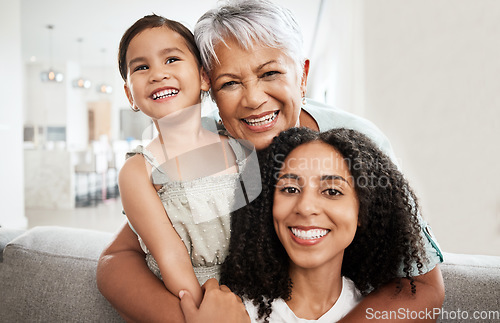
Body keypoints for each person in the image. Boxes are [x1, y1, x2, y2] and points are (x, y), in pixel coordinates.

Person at [97, 1, 444, 322]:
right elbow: (118, 260)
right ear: (210, 91)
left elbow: (424, 288)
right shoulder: (202, 146)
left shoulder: (355, 145)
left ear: (303, 75)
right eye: (230, 83)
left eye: (270, 74)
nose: (253, 99)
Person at [112, 13, 258, 311]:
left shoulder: (238, 144)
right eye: (141, 67)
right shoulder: (139, 170)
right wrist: (204, 312)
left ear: (204, 76)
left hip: (259, 288)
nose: (157, 74)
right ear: (130, 94)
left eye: (171, 60)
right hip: (196, 296)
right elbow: (171, 256)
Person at [222, 127, 427, 322]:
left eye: (332, 191)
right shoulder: (231, 312)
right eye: (291, 189)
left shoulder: (385, 313)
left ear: (363, 212)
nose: (305, 207)